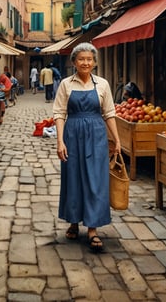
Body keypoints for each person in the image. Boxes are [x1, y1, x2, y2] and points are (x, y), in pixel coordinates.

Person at [53, 42, 121, 252]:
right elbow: (59, 113)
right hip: (72, 135)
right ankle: (74, 222)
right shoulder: (66, 84)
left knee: (95, 179)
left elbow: (109, 113)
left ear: (94, 63)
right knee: (73, 178)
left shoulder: (102, 85)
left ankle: (92, 229)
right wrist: (60, 141)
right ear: (74, 62)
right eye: (81, 59)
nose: (85, 62)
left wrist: (117, 140)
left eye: (89, 59)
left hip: (96, 136)